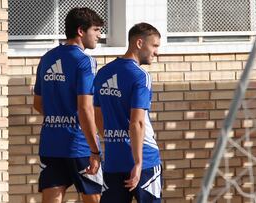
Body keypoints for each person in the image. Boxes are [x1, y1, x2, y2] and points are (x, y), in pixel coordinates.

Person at [33, 7, 104, 203]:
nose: (99, 35)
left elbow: (37, 103)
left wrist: (59, 116)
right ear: (81, 31)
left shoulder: (47, 58)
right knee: (94, 198)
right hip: (79, 145)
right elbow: (85, 108)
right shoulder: (85, 61)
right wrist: (95, 150)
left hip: (50, 144)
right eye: (96, 30)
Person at [93, 22, 162, 203]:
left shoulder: (103, 73)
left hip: (114, 159)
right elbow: (137, 122)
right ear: (139, 43)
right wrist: (138, 163)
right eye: (154, 46)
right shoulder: (140, 75)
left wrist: (112, 138)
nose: (157, 52)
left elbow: (97, 114)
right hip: (144, 159)